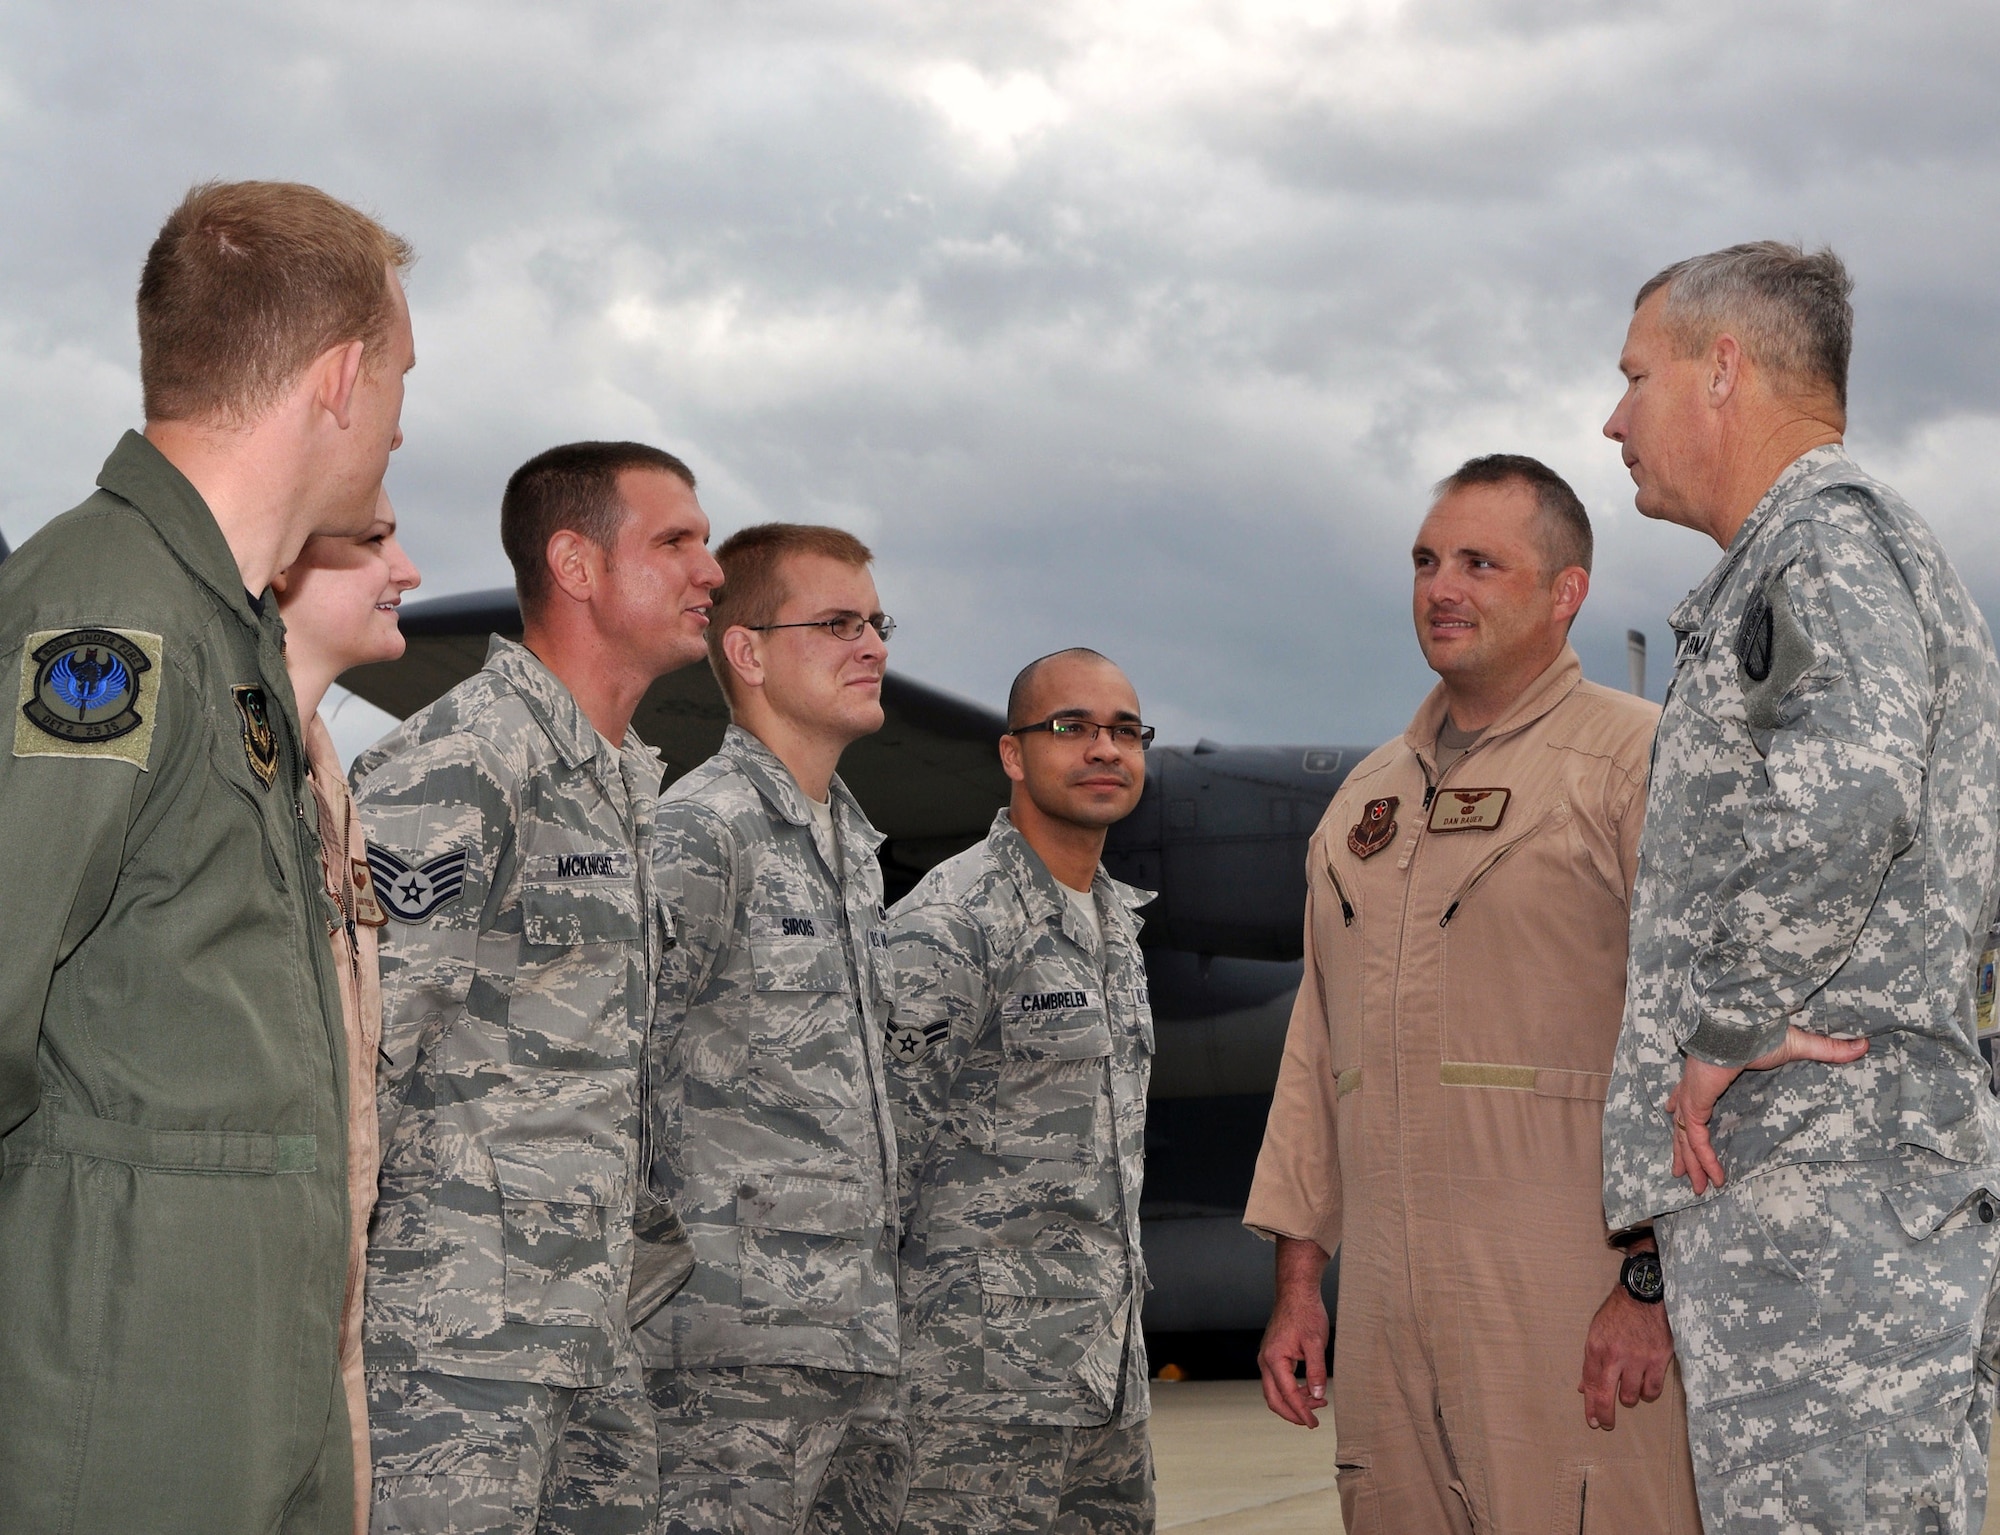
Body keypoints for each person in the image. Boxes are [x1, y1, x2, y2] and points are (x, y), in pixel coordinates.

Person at [0, 179, 413, 1535]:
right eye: (402, 377)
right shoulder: (107, 614)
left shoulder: (219, 628)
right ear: (341, 377)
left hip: (245, 1360)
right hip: (126, 1377)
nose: (402, 424)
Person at [1600, 243, 2000, 1532]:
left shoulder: (1820, 546)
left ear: (1723, 368)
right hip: (1823, 1184)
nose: (1613, 418)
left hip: (1826, 1191)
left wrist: (1724, 1021)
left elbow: (1850, 792)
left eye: (1634, 376)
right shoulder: (1813, 558)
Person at [1245, 455, 1701, 1533]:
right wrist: (1299, 1282)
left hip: (1570, 1302)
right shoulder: (1362, 804)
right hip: (1389, 1325)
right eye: (1423, 560)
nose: (1439, 586)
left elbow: (1703, 1031)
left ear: (1563, 591)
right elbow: (1317, 1047)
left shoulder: (1637, 763)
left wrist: (1650, 1286)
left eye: (1478, 562)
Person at [352, 442, 719, 1535]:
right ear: (576, 562)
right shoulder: (462, 761)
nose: (709, 571)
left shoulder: (616, 780)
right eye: (677, 541)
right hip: (454, 1348)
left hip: (588, 1331)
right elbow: (357, 1056)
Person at [639, 523, 906, 1535]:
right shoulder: (698, 833)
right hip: (728, 1362)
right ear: (744, 651)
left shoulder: (856, 853)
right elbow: (606, 1066)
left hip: (855, 1340)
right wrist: (663, 1290)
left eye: (877, 622)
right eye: (837, 623)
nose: (872, 644)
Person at [884, 648, 1158, 1535]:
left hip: (1106, 1383)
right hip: (975, 1394)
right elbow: (878, 1147)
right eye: (1070, 727)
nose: (1103, 749)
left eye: (1124, 731)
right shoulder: (954, 920)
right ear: (1013, 754)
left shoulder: (1117, 925)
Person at [274, 490, 424, 1535]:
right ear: (281, 562)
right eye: (373, 541)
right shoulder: (219, 773)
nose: (408, 568)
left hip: (318, 1328)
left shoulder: (323, 781)